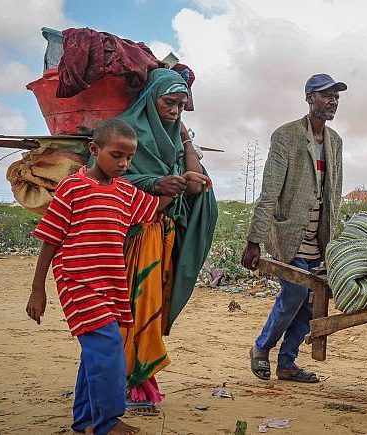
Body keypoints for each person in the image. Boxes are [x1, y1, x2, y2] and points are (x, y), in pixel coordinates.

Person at [25, 119, 210, 435]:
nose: (124, 163)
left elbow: (152, 209)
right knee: (109, 347)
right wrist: (37, 290)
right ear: (95, 150)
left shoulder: (125, 191)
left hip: (112, 285)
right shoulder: (73, 188)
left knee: (95, 353)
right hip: (77, 282)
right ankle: (107, 422)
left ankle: (84, 420)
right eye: (116, 155)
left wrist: (178, 184)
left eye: (129, 157)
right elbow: (50, 239)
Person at [113, 68, 219, 408]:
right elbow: (106, 183)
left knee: (151, 312)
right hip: (132, 238)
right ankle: (122, 385)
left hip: (162, 237)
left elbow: (193, 184)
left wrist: (186, 140)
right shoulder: (125, 133)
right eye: (168, 102)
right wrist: (156, 185)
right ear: (150, 99)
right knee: (131, 311)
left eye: (181, 105)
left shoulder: (174, 138)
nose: (174, 111)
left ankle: (140, 385)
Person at [242, 73, 346, 383]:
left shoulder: (335, 141)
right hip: (290, 235)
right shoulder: (286, 136)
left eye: (336, 97)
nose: (333, 101)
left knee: (311, 302)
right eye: (326, 95)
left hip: (319, 237)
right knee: (295, 292)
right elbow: (270, 191)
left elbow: (335, 193)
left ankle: (287, 363)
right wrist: (254, 240)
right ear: (309, 97)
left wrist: (334, 242)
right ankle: (262, 348)